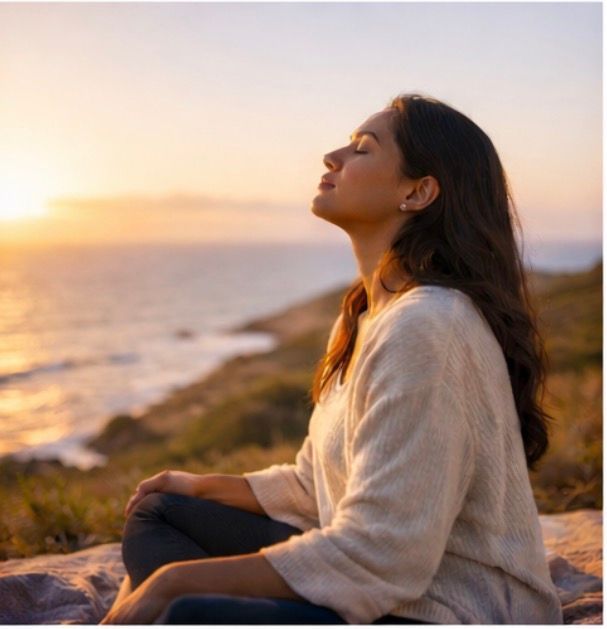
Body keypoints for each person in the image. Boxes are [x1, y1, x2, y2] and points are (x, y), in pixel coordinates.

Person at [100, 93, 564, 624]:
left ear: (418, 191)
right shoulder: (363, 315)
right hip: (393, 587)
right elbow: (315, 485)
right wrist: (197, 485)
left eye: (362, 149)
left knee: (186, 606)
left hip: (449, 609)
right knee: (161, 513)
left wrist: (171, 582)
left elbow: (381, 552)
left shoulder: (429, 324)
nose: (332, 157)